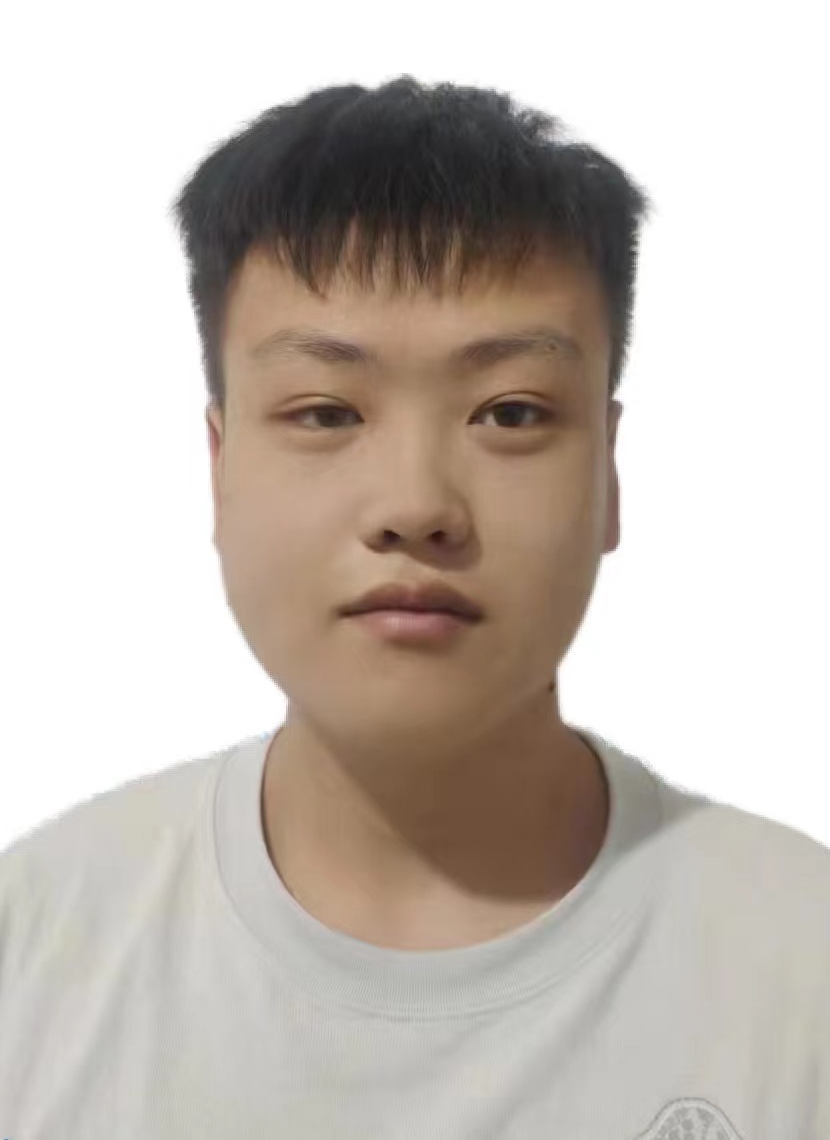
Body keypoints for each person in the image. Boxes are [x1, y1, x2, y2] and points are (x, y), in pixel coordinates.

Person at [0, 75, 826, 1138]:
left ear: (609, 473)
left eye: (509, 412)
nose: (415, 506)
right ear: (219, 467)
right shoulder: (37, 953)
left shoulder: (796, 969)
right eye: (325, 412)